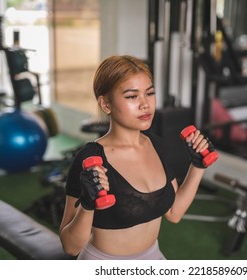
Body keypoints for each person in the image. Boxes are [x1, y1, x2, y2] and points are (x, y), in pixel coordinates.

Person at [59, 55, 215, 260]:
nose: (145, 104)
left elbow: (174, 213)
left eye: (149, 93)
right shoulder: (90, 159)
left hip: (153, 257)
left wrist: (197, 166)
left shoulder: (157, 144)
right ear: (106, 104)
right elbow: (70, 247)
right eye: (132, 96)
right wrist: (87, 206)